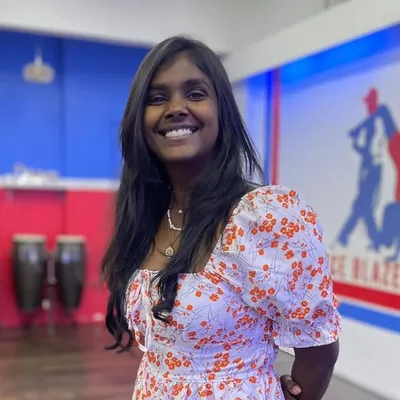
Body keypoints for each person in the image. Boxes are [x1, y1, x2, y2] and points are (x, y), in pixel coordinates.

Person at [102, 35, 341, 400]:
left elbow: (318, 354)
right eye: (157, 98)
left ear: (222, 111)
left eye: (195, 93)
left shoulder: (263, 219)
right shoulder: (148, 213)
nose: (176, 108)